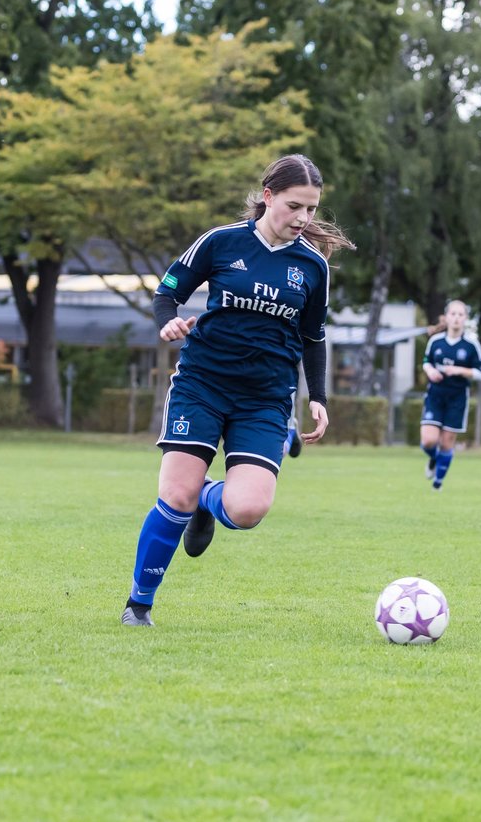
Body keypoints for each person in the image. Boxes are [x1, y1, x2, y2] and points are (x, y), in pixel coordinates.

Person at [121, 155, 355, 627]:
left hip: (265, 399)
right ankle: (139, 605)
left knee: (246, 510)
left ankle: (209, 501)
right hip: (202, 384)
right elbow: (166, 292)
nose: (303, 219)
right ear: (268, 197)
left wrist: (319, 397)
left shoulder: (312, 266)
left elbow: (314, 337)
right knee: (174, 496)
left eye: (311, 209)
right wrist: (168, 323)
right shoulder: (221, 242)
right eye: (294, 207)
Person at [419, 300, 481, 491]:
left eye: (460, 315)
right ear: (447, 317)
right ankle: (433, 459)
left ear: (465, 319)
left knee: (447, 442)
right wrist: (430, 371)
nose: (456, 318)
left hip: (457, 398)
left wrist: (459, 370)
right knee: (429, 441)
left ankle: (437, 485)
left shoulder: (471, 344)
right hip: (435, 395)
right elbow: (426, 362)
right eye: (453, 314)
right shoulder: (436, 341)